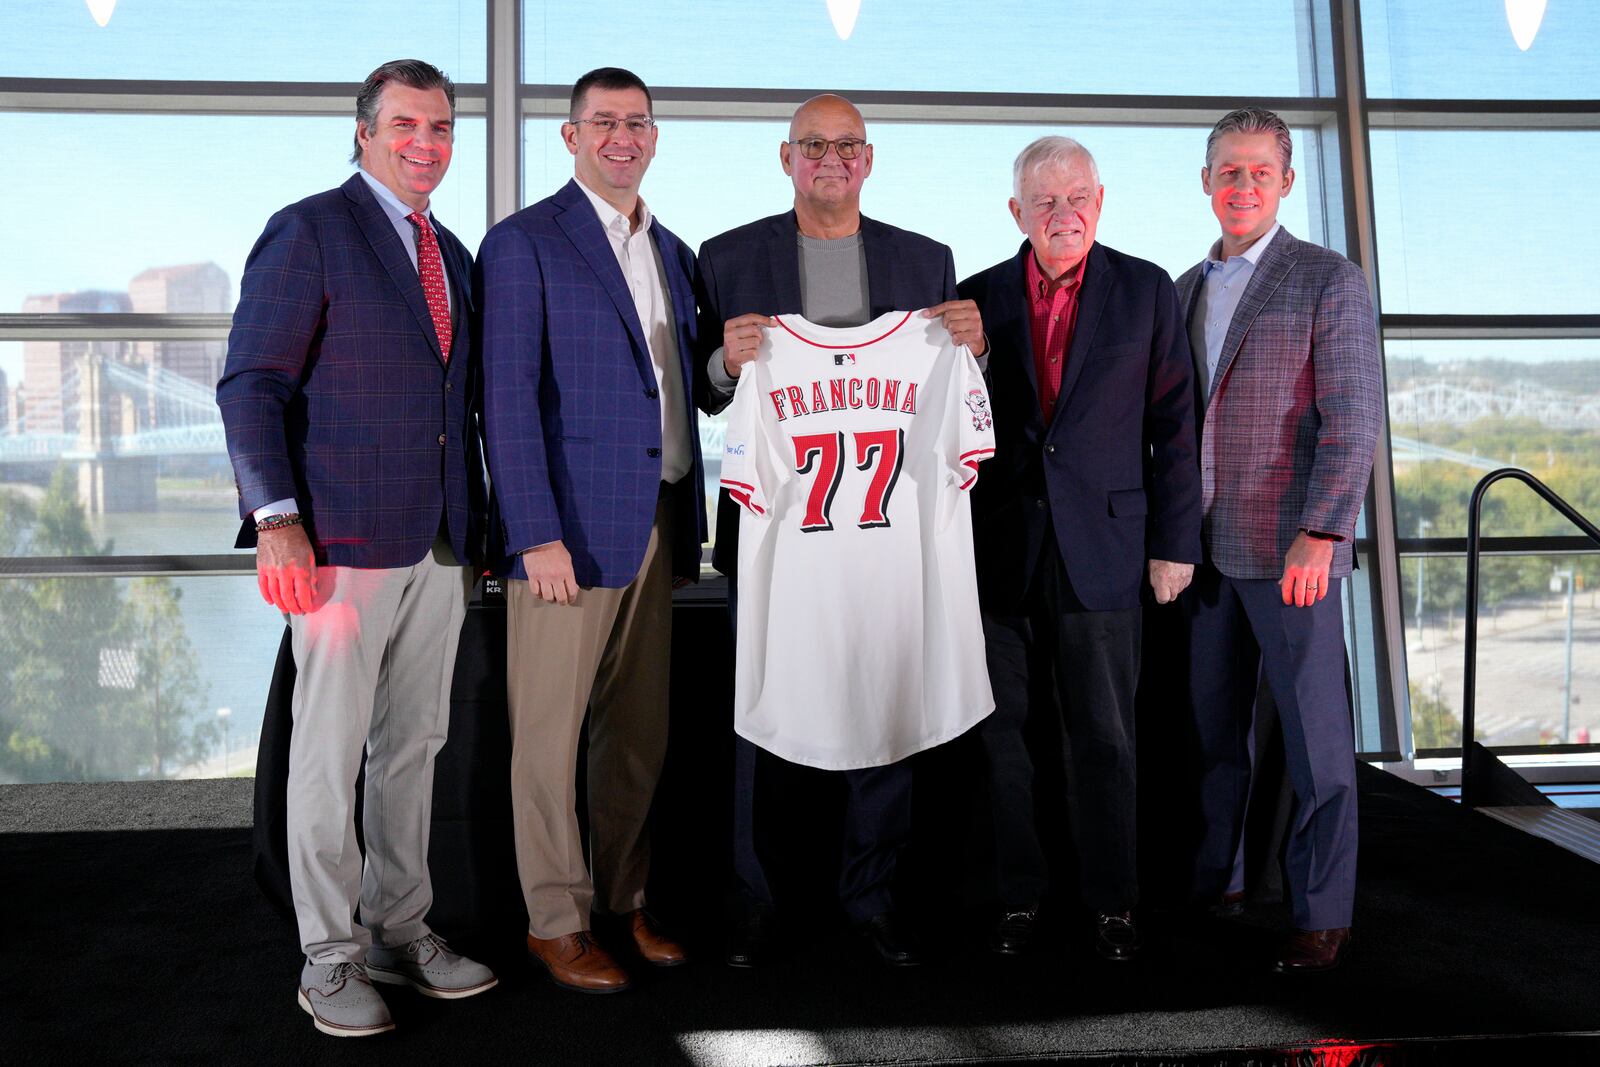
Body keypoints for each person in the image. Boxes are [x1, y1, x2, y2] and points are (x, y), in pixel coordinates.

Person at [217, 59, 495, 1038]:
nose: (429, 143)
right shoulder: (311, 231)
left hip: (438, 542)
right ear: (365, 131)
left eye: (445, 127)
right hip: (337, 544)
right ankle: (327, 958)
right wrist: (279, 520)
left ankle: (397, 927)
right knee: (328, 758)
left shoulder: (451, 252)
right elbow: (251, 383)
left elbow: (450, 406)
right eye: (409, 124)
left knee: (412, 749)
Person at [695, 93, 987, 968]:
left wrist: (978, 346)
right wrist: (723, 360)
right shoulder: (728, 257)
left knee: (880, 701)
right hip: (779, 524)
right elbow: (702, 390)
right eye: (813, 144)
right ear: (785, 157)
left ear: (870, 158)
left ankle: (871, 897)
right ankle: (760, 900)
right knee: (765, 707)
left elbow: (953, 391)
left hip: (886, 530)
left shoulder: (924, 259)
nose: (831, 157)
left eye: (847, 145)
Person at [478, 67, 705, 994]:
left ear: (655, 136)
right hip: (565, 530)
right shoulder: (525, 242)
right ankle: (555, 919)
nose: (623, 136)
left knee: (636, 731)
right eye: (603, 122)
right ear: (570, 138)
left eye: (638, 122)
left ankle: (624, 896)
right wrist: (535, 531)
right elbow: (507, 399)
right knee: (548, 734)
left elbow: (685, 386)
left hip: (660, 515)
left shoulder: (675, 249)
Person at [957, 137, 1200, 962]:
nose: (1064, 215)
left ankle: (1112, 902)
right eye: (1045, 202)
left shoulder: (1145, 290)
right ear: (1016, 212)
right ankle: (1020, 898)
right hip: (1000, 551)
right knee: (1007, 735)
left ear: (1101, 199)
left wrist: (1174, 544)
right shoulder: (975, 298)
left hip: (1107, 543)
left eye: (1078, 198)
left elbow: (1175, 423)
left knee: (1104, 734)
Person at [1175, 106, 1382, 973]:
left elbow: (1353, 417)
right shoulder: (1184, 285)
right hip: (1205, 548)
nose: (1243, 185)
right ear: (1206, 182)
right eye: (1228, 170)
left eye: (1259, 171)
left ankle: (1320, 911)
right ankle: (1219, 879)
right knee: (1216, 732)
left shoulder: (1327, 278)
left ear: (1286, 182)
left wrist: (1322, 531)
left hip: (1292, 547)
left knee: (1317, 744)